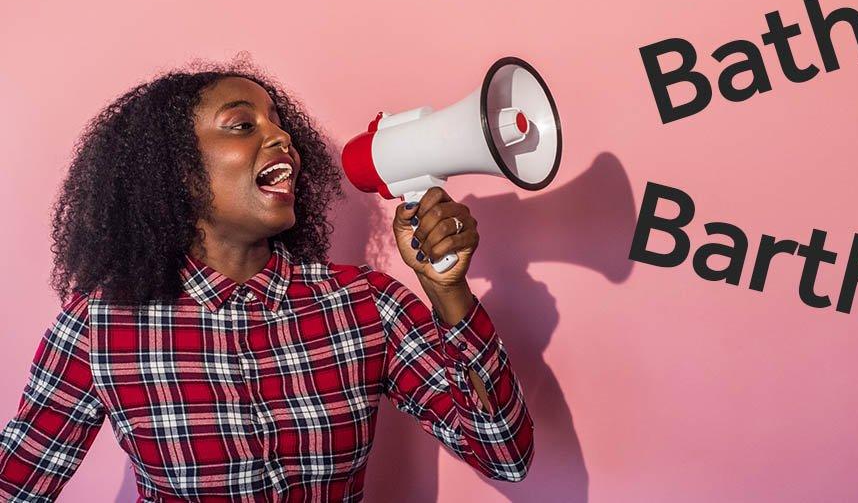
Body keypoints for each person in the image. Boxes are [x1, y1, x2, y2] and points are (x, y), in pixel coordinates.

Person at [0, 57, 535, 502]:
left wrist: (449, 292)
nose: (282, 137)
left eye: (279, 123)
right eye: (242, 124)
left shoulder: (365, 304)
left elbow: (504, 456)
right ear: (174, 171)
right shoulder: (99, 326)